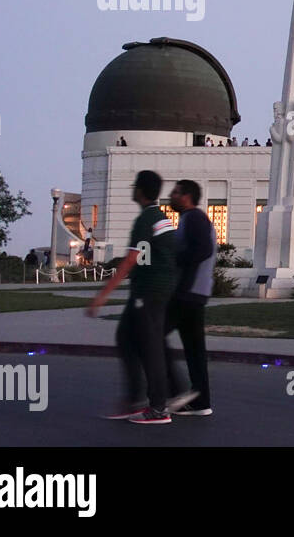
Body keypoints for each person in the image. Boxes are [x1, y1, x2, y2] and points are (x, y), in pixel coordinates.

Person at [86, 170, 178, 424]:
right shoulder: (162, 219)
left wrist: (101, 296)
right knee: (126, 337)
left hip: (149, 293)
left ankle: (158, 408)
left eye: (135, 186)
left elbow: (130, 260)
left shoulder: (146, 220)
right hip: (153, 291)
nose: (132, 190)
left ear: (140, 190)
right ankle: (134, 399)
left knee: (150, 348)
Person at [163, 179, 215, 416]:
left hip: (186, 293)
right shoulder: (190, 219)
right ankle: (200, 402)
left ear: (186, 196)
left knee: (151, 334)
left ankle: (176, 391)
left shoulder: (194, 218)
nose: (170, 196)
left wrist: (177, 261)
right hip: (195, 293)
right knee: (194, 350)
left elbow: (202, 249)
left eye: (175, 192)